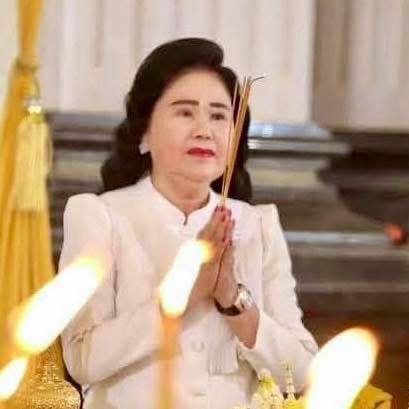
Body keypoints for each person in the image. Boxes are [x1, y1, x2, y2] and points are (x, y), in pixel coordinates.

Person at [60, 38, 317, 409]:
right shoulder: (100, 216)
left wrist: (232, 299)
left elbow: (304, 372)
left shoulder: (258, 225)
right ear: (144, 133)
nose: (204, 130)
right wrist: (184, 292)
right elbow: (82, 360)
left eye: (218, 116)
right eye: (184, 113)